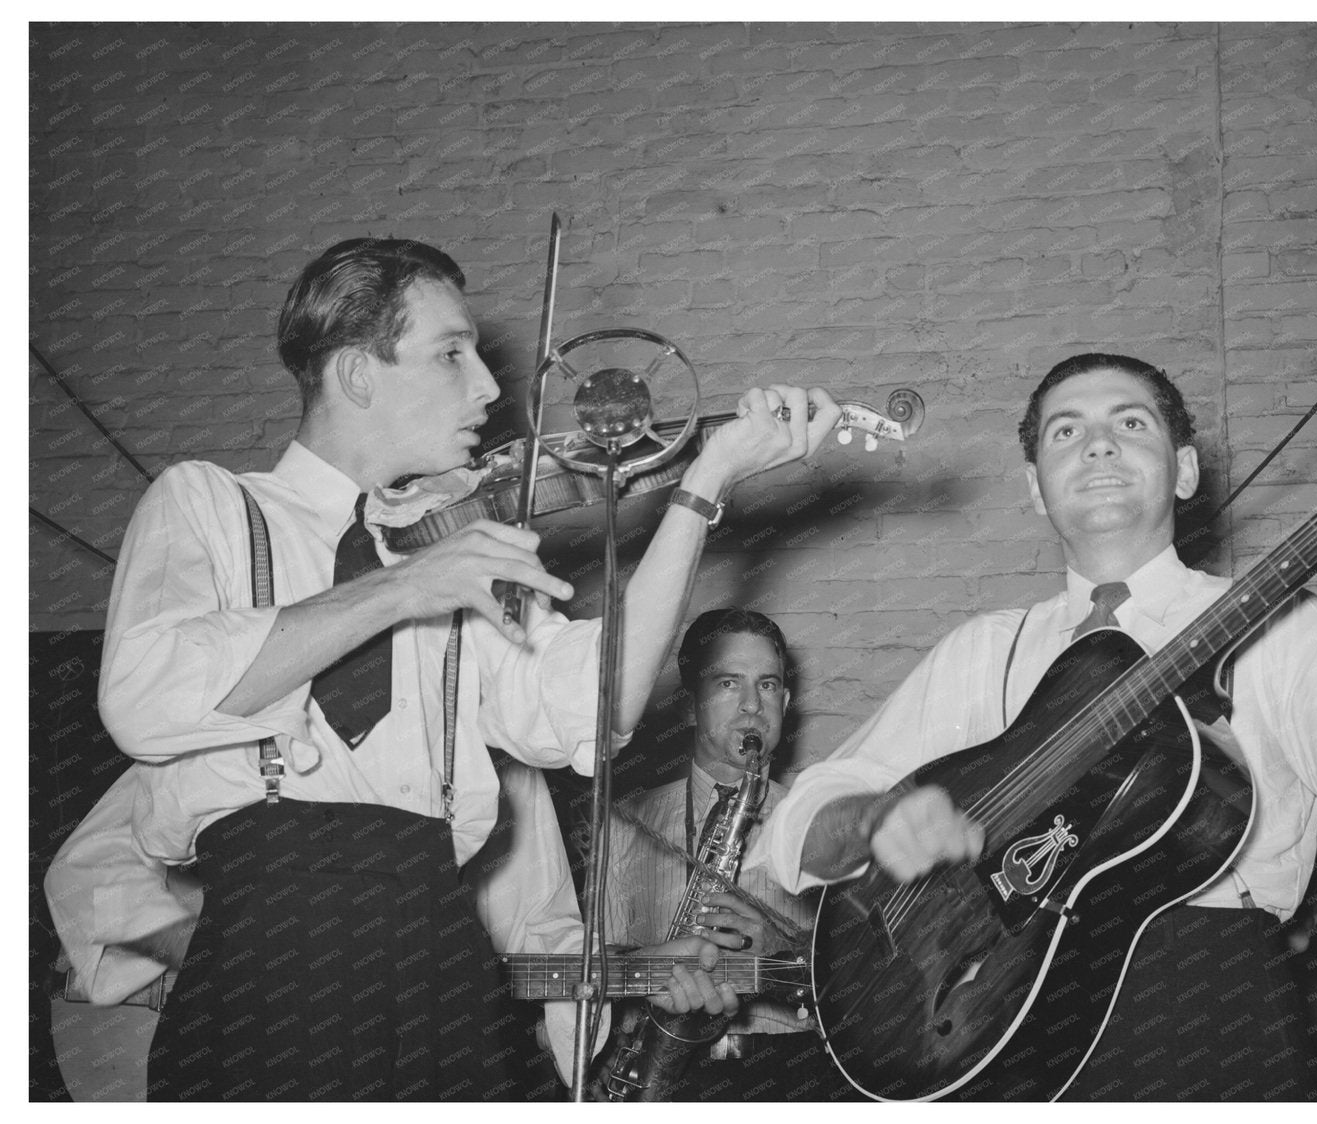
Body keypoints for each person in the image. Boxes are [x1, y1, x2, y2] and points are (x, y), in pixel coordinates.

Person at [45, 237, 841, 1101]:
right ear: (356, 374)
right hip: (270, 943)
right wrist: (401, 589)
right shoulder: (209, 504)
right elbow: (144, 695)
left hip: (437, 938)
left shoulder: (455, 547)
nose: (490, 387)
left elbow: (597, 705)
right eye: (449, 353)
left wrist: (703, 488)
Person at [756, 352, 1317, 1101]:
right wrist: (874, 820)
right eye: (1066, 431)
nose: (1098, 444)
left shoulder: (1288, 627)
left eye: (1130, 423)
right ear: (1034, 488)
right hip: (989, 1026)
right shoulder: (983, 651)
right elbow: (794, 826)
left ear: (1185, 471)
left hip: (1209, 1013)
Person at [594, 608, 850, 1101]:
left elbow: (874, 980)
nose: (753, 705)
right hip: (653, 1069)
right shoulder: (624, 823)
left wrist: (788, 948)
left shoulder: (832, 828)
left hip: (793, 1074)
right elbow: (588, 961)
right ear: (690, 705)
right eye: (729, 684)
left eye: (768, 685)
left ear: (786, 703)